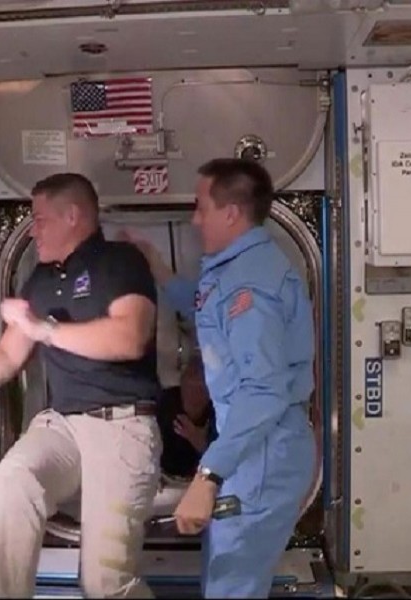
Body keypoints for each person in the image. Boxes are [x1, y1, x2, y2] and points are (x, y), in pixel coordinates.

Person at [122, 158, 316, 598]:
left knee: (232, 589)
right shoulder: (236, 273)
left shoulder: (253, 287)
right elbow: (205, 307)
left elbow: (263, 391)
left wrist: (207, 476)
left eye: (200, 207)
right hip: (252, 448)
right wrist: (155, 265)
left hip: (261, 453)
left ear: (231, 213)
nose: (194, 219)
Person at [0, 173, 163, 598]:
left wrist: (46, 328)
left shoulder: (121, 262)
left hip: (122, 427)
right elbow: (8, 353)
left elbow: (129, 337)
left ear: (72, 215)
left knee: (105, 584)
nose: (32, 229)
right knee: (12, 481)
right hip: (64, 426)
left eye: (39, 219)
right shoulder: (39, 280)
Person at [157, 353, 216, 479]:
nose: (194, 393)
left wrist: (197, 439)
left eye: (200, 388)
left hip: (200, 480)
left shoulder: (217, 412)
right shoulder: (165, 402)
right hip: (163, 478)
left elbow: (222, 459)